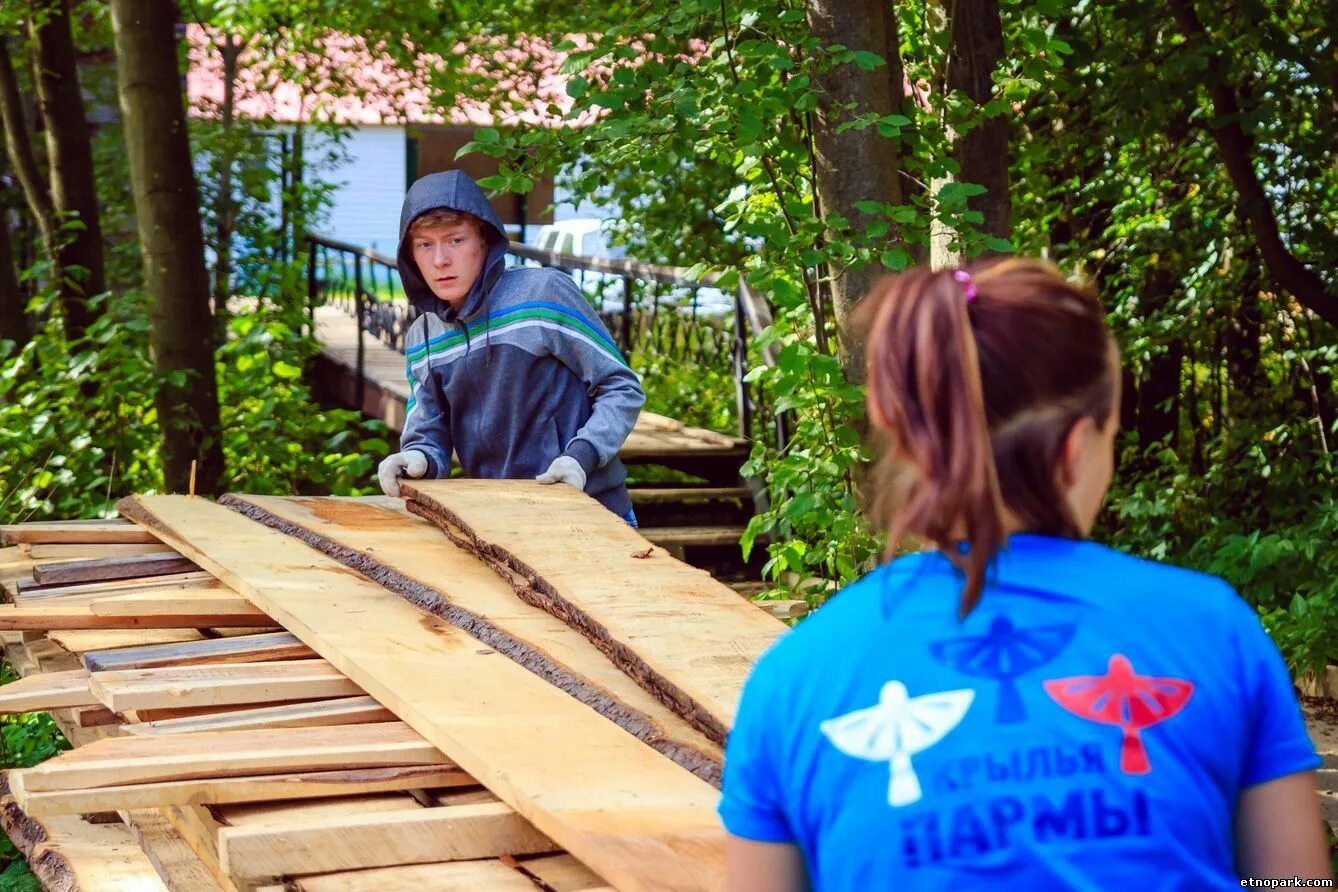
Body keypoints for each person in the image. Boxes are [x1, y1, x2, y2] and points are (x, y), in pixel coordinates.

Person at [718, 258, 1330, 890]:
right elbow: (1292, 883)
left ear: (913, 441)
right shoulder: (1214, 628)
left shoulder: (794, 678)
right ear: (1075, 449)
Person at [376, 170, 645, 524]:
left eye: (455, 240)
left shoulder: (543, 294)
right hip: (500, 520)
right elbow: (428, 429)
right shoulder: (423, 337)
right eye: (425, 245)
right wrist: (416, 459)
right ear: (411, 256)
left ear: (484, 242)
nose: (440, 259)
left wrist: (581, 457)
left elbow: (621, 387)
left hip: (590, 509)